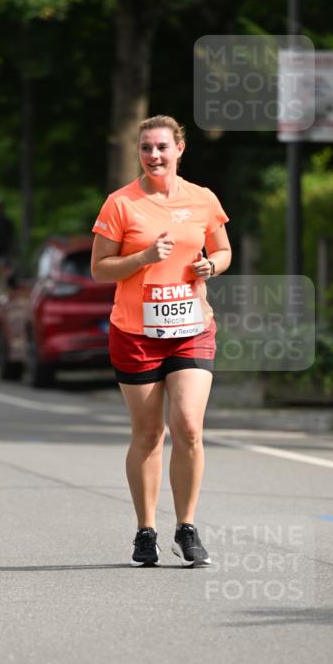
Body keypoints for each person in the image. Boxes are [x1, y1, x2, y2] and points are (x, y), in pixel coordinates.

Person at [91, 115, 231, 567]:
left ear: (179, 149)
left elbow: (223, 249)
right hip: (136, 333)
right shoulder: (121, 204)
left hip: (192, 328)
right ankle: (145, 530)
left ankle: (187, 528)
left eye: (162, 147)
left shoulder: (203, 199)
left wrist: (213, 266)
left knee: (189, 425)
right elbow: (99, 269)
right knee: (149, 433)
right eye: (146, 148)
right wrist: (146, 257)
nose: (154, 155)